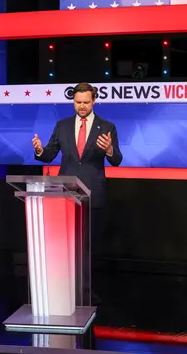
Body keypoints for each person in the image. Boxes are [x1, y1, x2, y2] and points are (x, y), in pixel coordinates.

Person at [31, 82, 122, 284]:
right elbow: (49, 154)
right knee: (66, 243)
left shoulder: (107, 127)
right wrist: (39, 150)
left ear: (94, 101)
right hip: (66, 192)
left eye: (86, 102)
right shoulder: (62, 125)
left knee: (88, 245)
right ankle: (65, 286)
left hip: (92, 192)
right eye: (78, 102)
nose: (82, 106)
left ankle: (86, 290)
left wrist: (109, 150)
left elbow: (117, 160)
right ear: (73, 101)